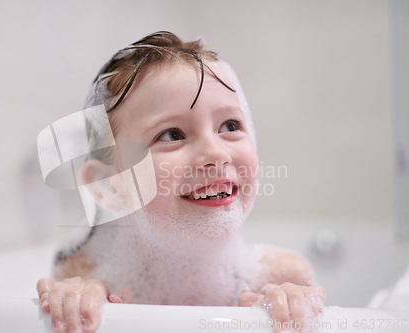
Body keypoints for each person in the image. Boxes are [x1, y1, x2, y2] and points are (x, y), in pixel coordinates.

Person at [36, 31, 326, 333]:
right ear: (109, 185)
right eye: (172, 134)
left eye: (230, 125)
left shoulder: (281, 278)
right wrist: (76, 312)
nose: (217, 153)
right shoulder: (85, 277)